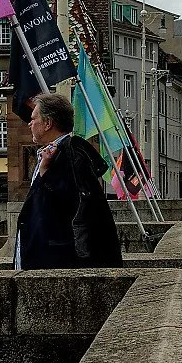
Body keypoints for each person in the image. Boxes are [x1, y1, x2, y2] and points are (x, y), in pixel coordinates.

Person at [13, 92, 122, 269]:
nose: (29, 124)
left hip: (56, 262)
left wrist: (45, 174)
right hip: (47, 262)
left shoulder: (71, 156)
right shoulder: (52, 154)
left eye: (34, 119)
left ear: (48, 123)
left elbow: (73, 206)